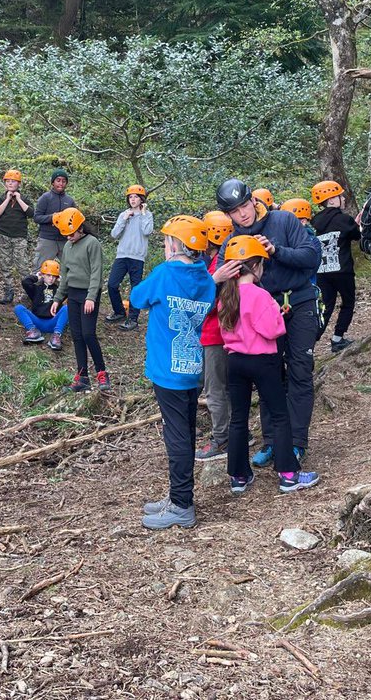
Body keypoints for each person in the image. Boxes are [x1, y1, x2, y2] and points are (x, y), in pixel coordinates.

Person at [215, 178, 321, 465]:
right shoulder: (231, 244)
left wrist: (275, 250)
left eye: (244, 206)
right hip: (261, 312)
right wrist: (223, 276)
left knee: (300, 368)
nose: (243, 214)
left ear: (253, 200)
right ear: (228, 215)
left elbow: (313, 256)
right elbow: (221, 289)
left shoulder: (284, 221)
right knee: (270, 374)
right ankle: (273, 441)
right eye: (235, 212)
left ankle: (296, 441)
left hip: (299, 301)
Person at [131, 216, 217, 530]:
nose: (164, 244)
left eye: (167, 240)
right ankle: (178, 496)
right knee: (185, 430)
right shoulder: (205, 278)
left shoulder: (165, 273)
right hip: (191, 365)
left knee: (177, 436)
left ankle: (182, 505)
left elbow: (138, 298)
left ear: (175, 245)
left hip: (167, 369)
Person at [217, 235, 319, 496]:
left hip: (235, 362)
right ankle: (288, 475)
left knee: (238, 419)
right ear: (257, 266)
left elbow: (225, 329)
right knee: (280, 415)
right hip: (263, 361)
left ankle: (238, 476)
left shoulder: (226, 296)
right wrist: (277, 310)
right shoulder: (260, 295)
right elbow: (273, 330)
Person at [50, 207, 110, 393]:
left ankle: (101, 372)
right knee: (76, 335)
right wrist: (58, 298)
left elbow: (96, 272)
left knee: (88, 334)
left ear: (81, 228)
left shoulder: (92, 243)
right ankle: (82, 376)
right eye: (66, 235)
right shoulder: (68, 246)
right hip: (73, 294)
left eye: (71, 234)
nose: (68, 238)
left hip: (88, 294)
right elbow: (64, 274)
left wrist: (91, 296)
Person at [194, 210, 234, 462]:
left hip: (214, 335)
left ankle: (222, 439)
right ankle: (232, 432)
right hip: (222, 334)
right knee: (223, 387)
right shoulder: (225, 259)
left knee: (215, 390)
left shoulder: (218, 265)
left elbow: (207, 302)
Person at [311, 180, 362, 353]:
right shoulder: (344, 219)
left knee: (326, 306)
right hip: (343, 270)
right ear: (332, 200)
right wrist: (356, 226)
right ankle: (337, 339)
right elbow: (356, 235)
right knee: (348, 302)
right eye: (340, 196)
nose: (343, 198)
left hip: (323, 271)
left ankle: (309, 343)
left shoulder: (316, 222)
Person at [107, 185, 154, 331]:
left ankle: (133, 319)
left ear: (142, 199)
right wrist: (124, 219)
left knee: (136, 288)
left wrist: (144, 214)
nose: (133, 200)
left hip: (137, 258)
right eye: (131, 197)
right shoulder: (124, 214)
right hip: (122, 255)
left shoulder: (147, 215)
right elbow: (114, 234)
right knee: (112, 284)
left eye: (136, 197)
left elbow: (147, 231)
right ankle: (119, 312)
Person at [0, 168, 33, 306]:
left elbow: (31, 213)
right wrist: (8, 198)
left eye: (13, 181)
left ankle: (28, 292)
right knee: (6, 266)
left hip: (19, 236)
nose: (10, 184)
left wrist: (19, 199)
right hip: (3, 235)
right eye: (8, 181)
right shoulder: (1, 197)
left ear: (18, 184)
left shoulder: (25, 198)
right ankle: (8, 292)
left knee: (22, 266)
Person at [15, 259, 68, 351]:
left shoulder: (59, 291)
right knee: (18, 308)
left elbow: (70, 290)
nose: (51, 279)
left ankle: (56, 336)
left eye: (54, 276)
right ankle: (32, 331)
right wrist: (36, 277)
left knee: (67, 308)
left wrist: (62, 281)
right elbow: (25, 282)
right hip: (37, 322)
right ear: (43, 275)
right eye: (48, 275)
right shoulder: (36, 288)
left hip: (53, 323)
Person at [33, 168, 76, 269]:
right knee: (40, 268)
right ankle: (38, 285)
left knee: (70, 268)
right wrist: (52, 217)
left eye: (64, 181)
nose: (61, 183)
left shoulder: (69, 201)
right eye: (58, 180)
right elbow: (36, 217)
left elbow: (75, 220)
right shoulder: (46, 198)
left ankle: (63, 285)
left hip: (65, 240)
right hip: (47, 239)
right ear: (53, 182)